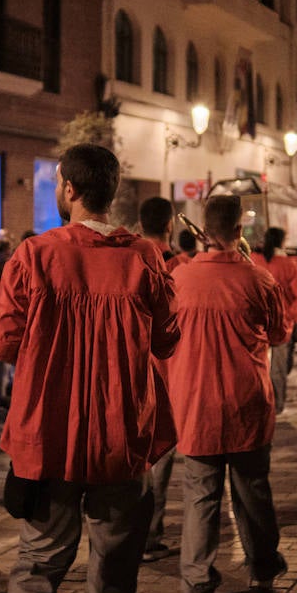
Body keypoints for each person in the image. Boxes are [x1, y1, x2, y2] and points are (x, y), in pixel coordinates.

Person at [0, 144, 179, 593]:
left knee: (38, 564)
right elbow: (167, 339)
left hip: (48, 436)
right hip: (121, 433)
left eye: (57, 183)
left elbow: (3, 343)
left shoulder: (34, 255)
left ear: (70, 189)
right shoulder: (145, 257)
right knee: (113, 569)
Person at [169, 195, 288, 593]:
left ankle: (197, 588)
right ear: (239, 230)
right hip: (245, 403)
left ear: (204, 230)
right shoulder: (259, 279)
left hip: (195, 403)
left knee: (200, 498)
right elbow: (279, 333)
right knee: (252, 492)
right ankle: (262, 572)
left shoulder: (179, 279)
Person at [137, 196, 181, 563]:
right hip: (169, 375)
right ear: (170, 225)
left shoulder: (129, 260)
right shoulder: (180, 267)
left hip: (135, 373)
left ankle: (134, 531)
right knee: (161, 459)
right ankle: (149, 535)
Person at [251, 226, 297, 415]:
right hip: (281, 320)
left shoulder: (253, 260)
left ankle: (258, 403)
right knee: (278, 367)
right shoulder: (288, 265)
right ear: (281, 242)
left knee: (256, 365)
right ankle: (276, 405)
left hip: (256, 321)